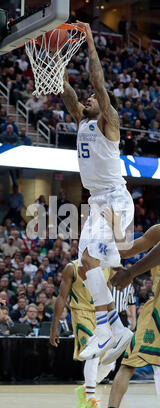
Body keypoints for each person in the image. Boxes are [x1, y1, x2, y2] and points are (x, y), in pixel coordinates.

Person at [60, 20, 134, 361]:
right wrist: (56, 68)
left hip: (114, 201)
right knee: (86, 265)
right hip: (96, 202)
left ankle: (105, 330)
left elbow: (98, 84)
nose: (88, 99)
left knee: (92, 261)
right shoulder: (81, 120)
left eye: (93, 98)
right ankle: (116, 327)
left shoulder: (108, 119)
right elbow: (70, 96)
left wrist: (89, 42)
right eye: (87, 99)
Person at [83, 224, 160, 408]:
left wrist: (131, 272)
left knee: (129, 365)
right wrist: (99, 243)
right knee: (129, 363)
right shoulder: (156, 231)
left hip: (157, 310)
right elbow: (126, 250)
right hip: (154, 309)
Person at [50, 259, 113, 408]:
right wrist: (54, 327)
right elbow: (61, 298)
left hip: (101, 314)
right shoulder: (72, 268)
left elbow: (108, 295)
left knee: (111, 361)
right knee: (93, 354)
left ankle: (84, 389)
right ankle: (91, 400)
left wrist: (114, 320)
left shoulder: (107, 266)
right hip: (81, 313)